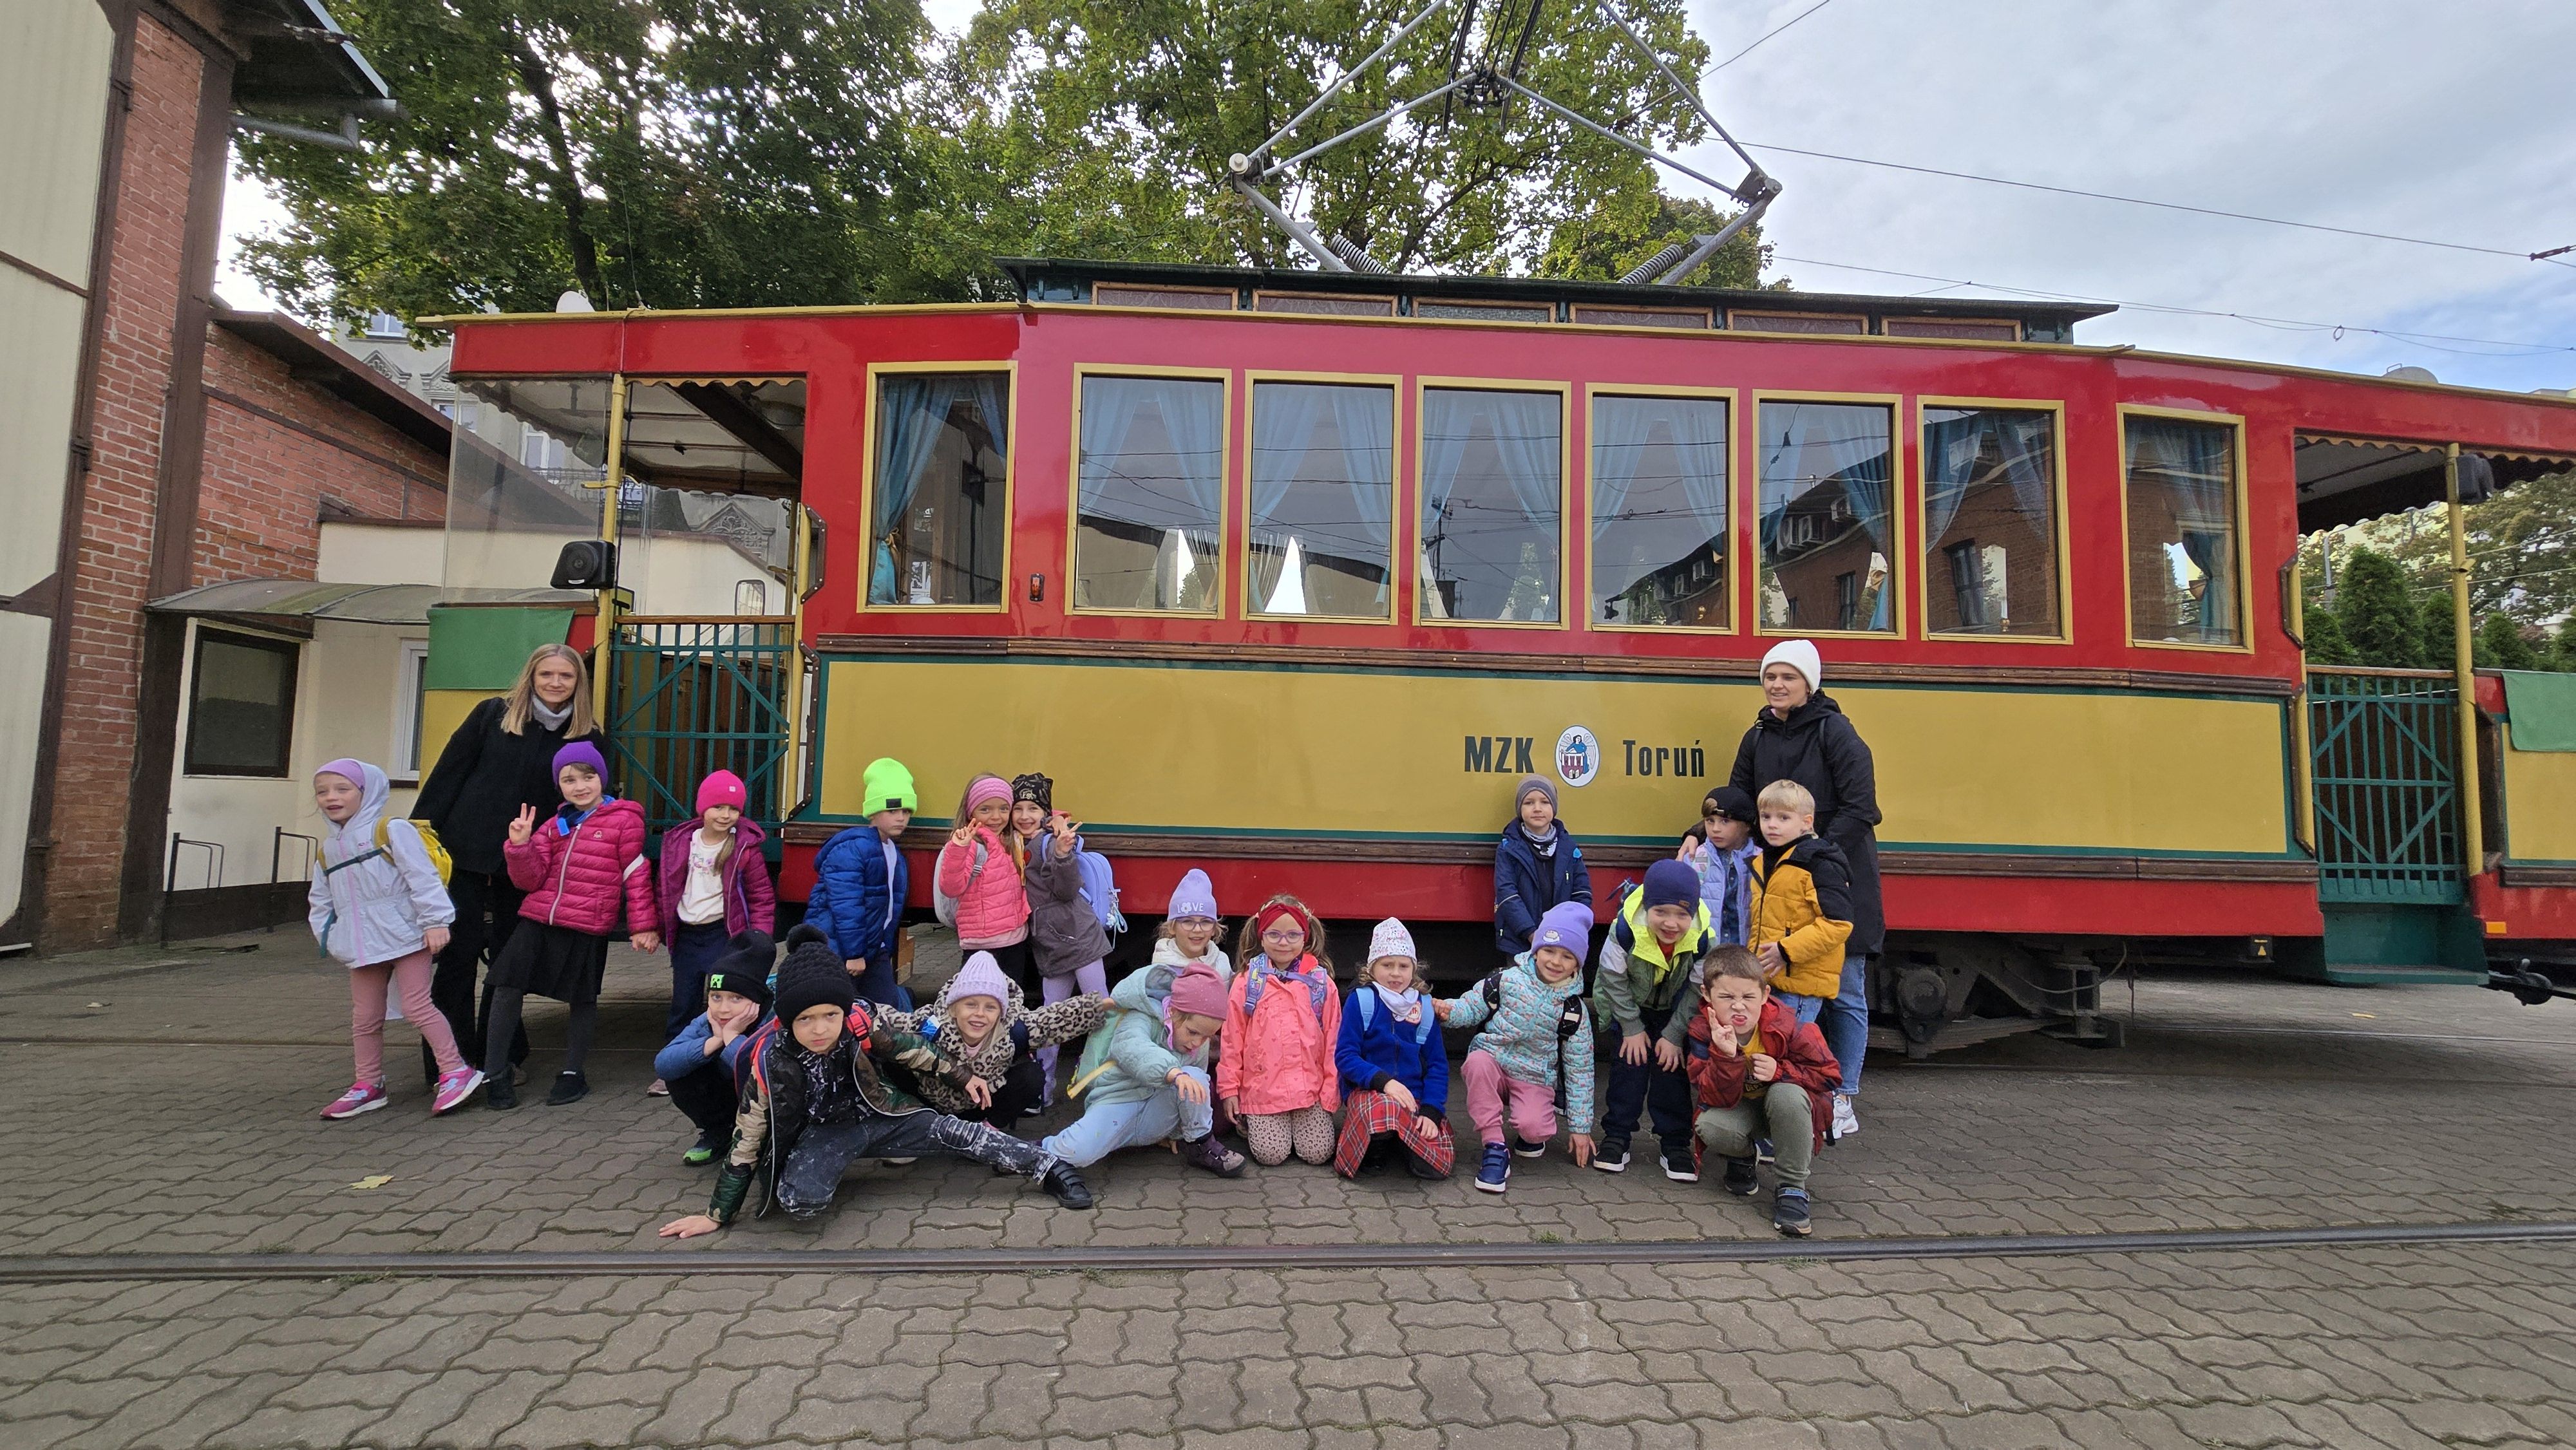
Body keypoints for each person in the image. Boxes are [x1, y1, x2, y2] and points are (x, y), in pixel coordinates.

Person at [657, 927, 1094, 1236]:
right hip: (827, 1132)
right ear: (788, 1021)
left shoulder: (859, 1026)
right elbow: (748, 1138)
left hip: (883, 1113)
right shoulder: (770, 1062)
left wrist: (964, 1077)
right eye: (806, 1019)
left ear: (844, 1012)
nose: (821, 1028)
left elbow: (912, 1048)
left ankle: (1048, 1167)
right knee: (799, 1205)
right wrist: (717, 1214)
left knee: (960, 1133)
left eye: (830, 1015)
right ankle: (841, 1161)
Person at [411, 642, 606, 1088]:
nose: (555, 683)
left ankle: (499, 1058)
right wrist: (420, 837)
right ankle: (449, 1064)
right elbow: (448, 775)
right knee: (456, 959)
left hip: (528, 864)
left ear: (578, 683)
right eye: (546, 674)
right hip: (464, 855)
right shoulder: (492, 715)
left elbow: (586, 804)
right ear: (531, 677)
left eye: (566, 676)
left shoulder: (587, 737)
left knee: (508, 965)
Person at [1728, 638, 1881, 1140]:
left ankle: (1843, 1094)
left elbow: (1862, 808)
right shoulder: (1757, 735)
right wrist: (1699, 830)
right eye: (1770, 677)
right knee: (1787, 994)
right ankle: (1793, 1089)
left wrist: (1815, 854)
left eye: (1788, 677)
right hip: (1782, 883)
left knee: (1846, 989)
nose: (1777, 685)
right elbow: (1740, 800)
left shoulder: (1836, 731)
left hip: (1838, 876)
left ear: (1809, 683)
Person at [484, 741, 657, 1109]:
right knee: (506, 986)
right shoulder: (554, 824)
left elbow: (636, 873)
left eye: (588, 777)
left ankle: (572, 1073)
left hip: (587, 922)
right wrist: (519, 846)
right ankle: (495, 1074)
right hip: (539, 918)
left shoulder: (624, 819)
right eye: (569, 780)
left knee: (582, 998)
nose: (580, 787)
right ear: (559, 786)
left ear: (602, 778)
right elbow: (529, 880)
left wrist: (643, 925)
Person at [307, 759, 482, 1118]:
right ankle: (368, 1085)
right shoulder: (328, 849)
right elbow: (320, 901)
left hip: (407, 936)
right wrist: (333, 938)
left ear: (367, 791)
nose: (331, 797)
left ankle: (455, 1071)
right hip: (361, 946)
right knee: (365, 1018)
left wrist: (435, 921)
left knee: (418, 1006)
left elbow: (422, 876)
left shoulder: (391, 830)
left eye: (342, 789)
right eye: (322, 792)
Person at [1436, 899, 1596, 1192]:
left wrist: (1580, 1128)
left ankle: (1530, 1130)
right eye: (1549, 951)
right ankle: (1494, 1147)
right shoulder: (1506, 980)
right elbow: (1470, 1007)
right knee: (1477, 1063)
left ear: (1578, 963)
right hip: (1494, 1062)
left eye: (1567, 956)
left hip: (1534, 1075)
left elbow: (1580, 1070)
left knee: (1535, 1130)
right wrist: (1446, 1011)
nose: (1555, 962)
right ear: (1536, 950)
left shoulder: (1574, 1010)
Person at [1686, 945, 1842, 1238]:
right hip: (1741, 1108)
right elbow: (1710, 1097)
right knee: (1708, 1125)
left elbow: (1830, 1076)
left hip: (1786, 1113)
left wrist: (1780, 1071)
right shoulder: (1702, 1031)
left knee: (1787, 1095)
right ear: (1707, 995)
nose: (1739, 1007)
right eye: (1726, 997)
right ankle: (1745, 1156)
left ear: (1764, 994)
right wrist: (1726, 1058)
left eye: (1748, 997)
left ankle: (1792, 1187)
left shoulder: (1789, 1026)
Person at [1043, 961, 1247, 1178]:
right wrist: (1173, 1072)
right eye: (1193, 1032)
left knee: (1197, 1078)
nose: (1198, 1042)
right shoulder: (1141, 1016)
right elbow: (1131, 1048)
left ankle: (1199, 1145)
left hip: (1155, 1113)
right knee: (1078, 1152)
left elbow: (1192, 1097)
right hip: (1118, 1102)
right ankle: (1037, 1152)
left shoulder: (1198, 1041)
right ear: (1174, 1012)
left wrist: (1176, 1131)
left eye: (1207, 1036)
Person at [1589, 858, 1716, 1182]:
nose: (1671, 924)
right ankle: (1617, 1135)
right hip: (1629, 1005)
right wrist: (1631, 1027)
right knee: (1628, 1068)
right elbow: (1612, 979)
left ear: (1693, 913)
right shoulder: (1624, 930)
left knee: (1671, 1071)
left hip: (1676, 1009)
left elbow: (1698, 989)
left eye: (1682, 915)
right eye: (1661, 912)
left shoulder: (1704, 938)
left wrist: (1674, 1034)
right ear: (1647, 907)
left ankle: (1675, 1143)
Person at [650, 770, 775, 1093]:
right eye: (718, 807)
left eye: (733, 809)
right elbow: (664, 888)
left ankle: (731, 1061)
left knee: (727, 1001)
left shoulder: (745, 848)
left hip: (724, 935)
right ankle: (675, 1064)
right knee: (684, 1001)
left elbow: (761, 896)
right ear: (702, 808)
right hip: (688, 935)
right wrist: (655, 926)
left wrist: (760, 938)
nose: (725, 815)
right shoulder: (680, 842)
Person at [885, 951, 1108, 1126]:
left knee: (1032, 1075)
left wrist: (1096, 1007)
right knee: (893, 1054)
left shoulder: (1010, 1030)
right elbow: (892, 1021)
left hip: (981, 1107)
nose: (980, 1014)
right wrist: (865, 1012)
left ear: (1001, 1012)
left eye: (990, 1007)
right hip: (931, 1102)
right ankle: (912, 1124)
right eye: (970, 1005)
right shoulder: (932, 1025)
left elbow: (1052, 1021)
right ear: (953, 1008)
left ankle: (987, 1132)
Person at [1219, 895, 1342, 1167]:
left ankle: (1293, 1126)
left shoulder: (1320, 984)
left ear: (1305, 937)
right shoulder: (1247, 982)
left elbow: (1334, 1042)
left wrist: (1330, 1091)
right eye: (1274, 934)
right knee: (1271, 1155)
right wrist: (1229, 1089)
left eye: (1292, 935)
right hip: (1263, 1091)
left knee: (1318, 1153)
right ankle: (1251, 1120)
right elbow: (1232, 1040)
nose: (1283, 942)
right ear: (1261, 937)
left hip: (1309, 1091)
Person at [1332, 919, 1454, 1181]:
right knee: (1385, 1109)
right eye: (1387, 965)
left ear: (1414, 969)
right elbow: (1345, 1056)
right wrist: (1384, 1082)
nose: (1396, 973)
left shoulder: (1424, 1008)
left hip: (1413, 1098)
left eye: (1403, 966)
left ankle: (1403, 1140)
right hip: (1371, 1092)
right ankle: (1376, 1146)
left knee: (1436, 1165)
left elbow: (1437, 1065)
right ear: (1372, 968)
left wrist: (1432, 1110)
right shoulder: (1361, 1001)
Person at [1017, 778, 1111, 1102]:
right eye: (1019, 808)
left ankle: (1101, 1083)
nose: (1025, 816)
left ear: (1044, 813)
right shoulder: (1021, 843)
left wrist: (1061, 852)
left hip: (1080, 939)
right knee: (1050, 1019)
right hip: (1053, 944)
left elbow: (1068, 889)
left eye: (1033, 808)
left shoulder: (1045, 843)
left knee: (1100, 1012)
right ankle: (1042, 1091)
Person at [651, 930, 774, 1164]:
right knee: (681, 1074)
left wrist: (732, 1038)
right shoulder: (710, 1020)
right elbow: (663, 1065)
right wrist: (715, 1041)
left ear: (757, 1001)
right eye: (716, 997)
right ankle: (720, 1132)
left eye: (736, 998)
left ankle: (768, 1139)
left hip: (772, 1108)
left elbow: (768, 1077)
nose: (723, 1009)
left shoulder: (774, 1019)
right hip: (733, 1098)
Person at [802, 757, 916, 1008]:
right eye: (893, 811)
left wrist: (883, 945)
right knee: (841, 1008)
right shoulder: (853, 849)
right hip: (841, 950)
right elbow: (847, 906)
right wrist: (854, 954)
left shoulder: (893, 852)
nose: (901, 818)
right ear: (873, 812)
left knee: (884, 1009)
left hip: (873, 948)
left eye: (906, 811)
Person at [1748, 780, 1855, 1026]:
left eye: (1784, 818)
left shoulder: (1818, 863)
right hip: (1767, 978)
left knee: (1791, 1045)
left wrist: (1786, 950)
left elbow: (1839, 923)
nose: (1772, 824)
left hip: (1800, 984)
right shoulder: (1763, 862)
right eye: (1765, 817)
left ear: (1807, 822)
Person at [938, 773, 1034, 998]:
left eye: (1004, 808)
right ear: (970, 812)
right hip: (981, 944)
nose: (996, 817)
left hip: (1014, 940)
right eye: (985, 809)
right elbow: (951, 888)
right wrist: (958, 850)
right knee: (978, 1000)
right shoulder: (970, 844)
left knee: (1011, 1001)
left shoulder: (1011, 841)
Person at [1493, 775, 1590, 959]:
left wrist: (1569, 930)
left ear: (1554, 807)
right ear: (1520, 809)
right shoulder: (1508, 849)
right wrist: (1531, 933)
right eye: (1529, 802)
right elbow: (1507, 894)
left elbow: (1582, 893)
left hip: (1562, 943)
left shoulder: (1569, 848)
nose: (1537, 808)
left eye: (1545, 802)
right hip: (1520, 941)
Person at [1681, 786, 1761, 948]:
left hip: (1747, 949)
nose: (1715, 829)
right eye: (1710, 821)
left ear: (1746, 825)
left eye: (1725, 821)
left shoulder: (1759, 860)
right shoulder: (1695, 858)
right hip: (1705, 950)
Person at [1150, 868, 1233, 986]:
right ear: (1172, 927)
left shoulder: (1222, 962)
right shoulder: (1162, 971)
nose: (1197, 929)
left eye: (1205, 922)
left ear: (1214, 929)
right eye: (1188, 922)